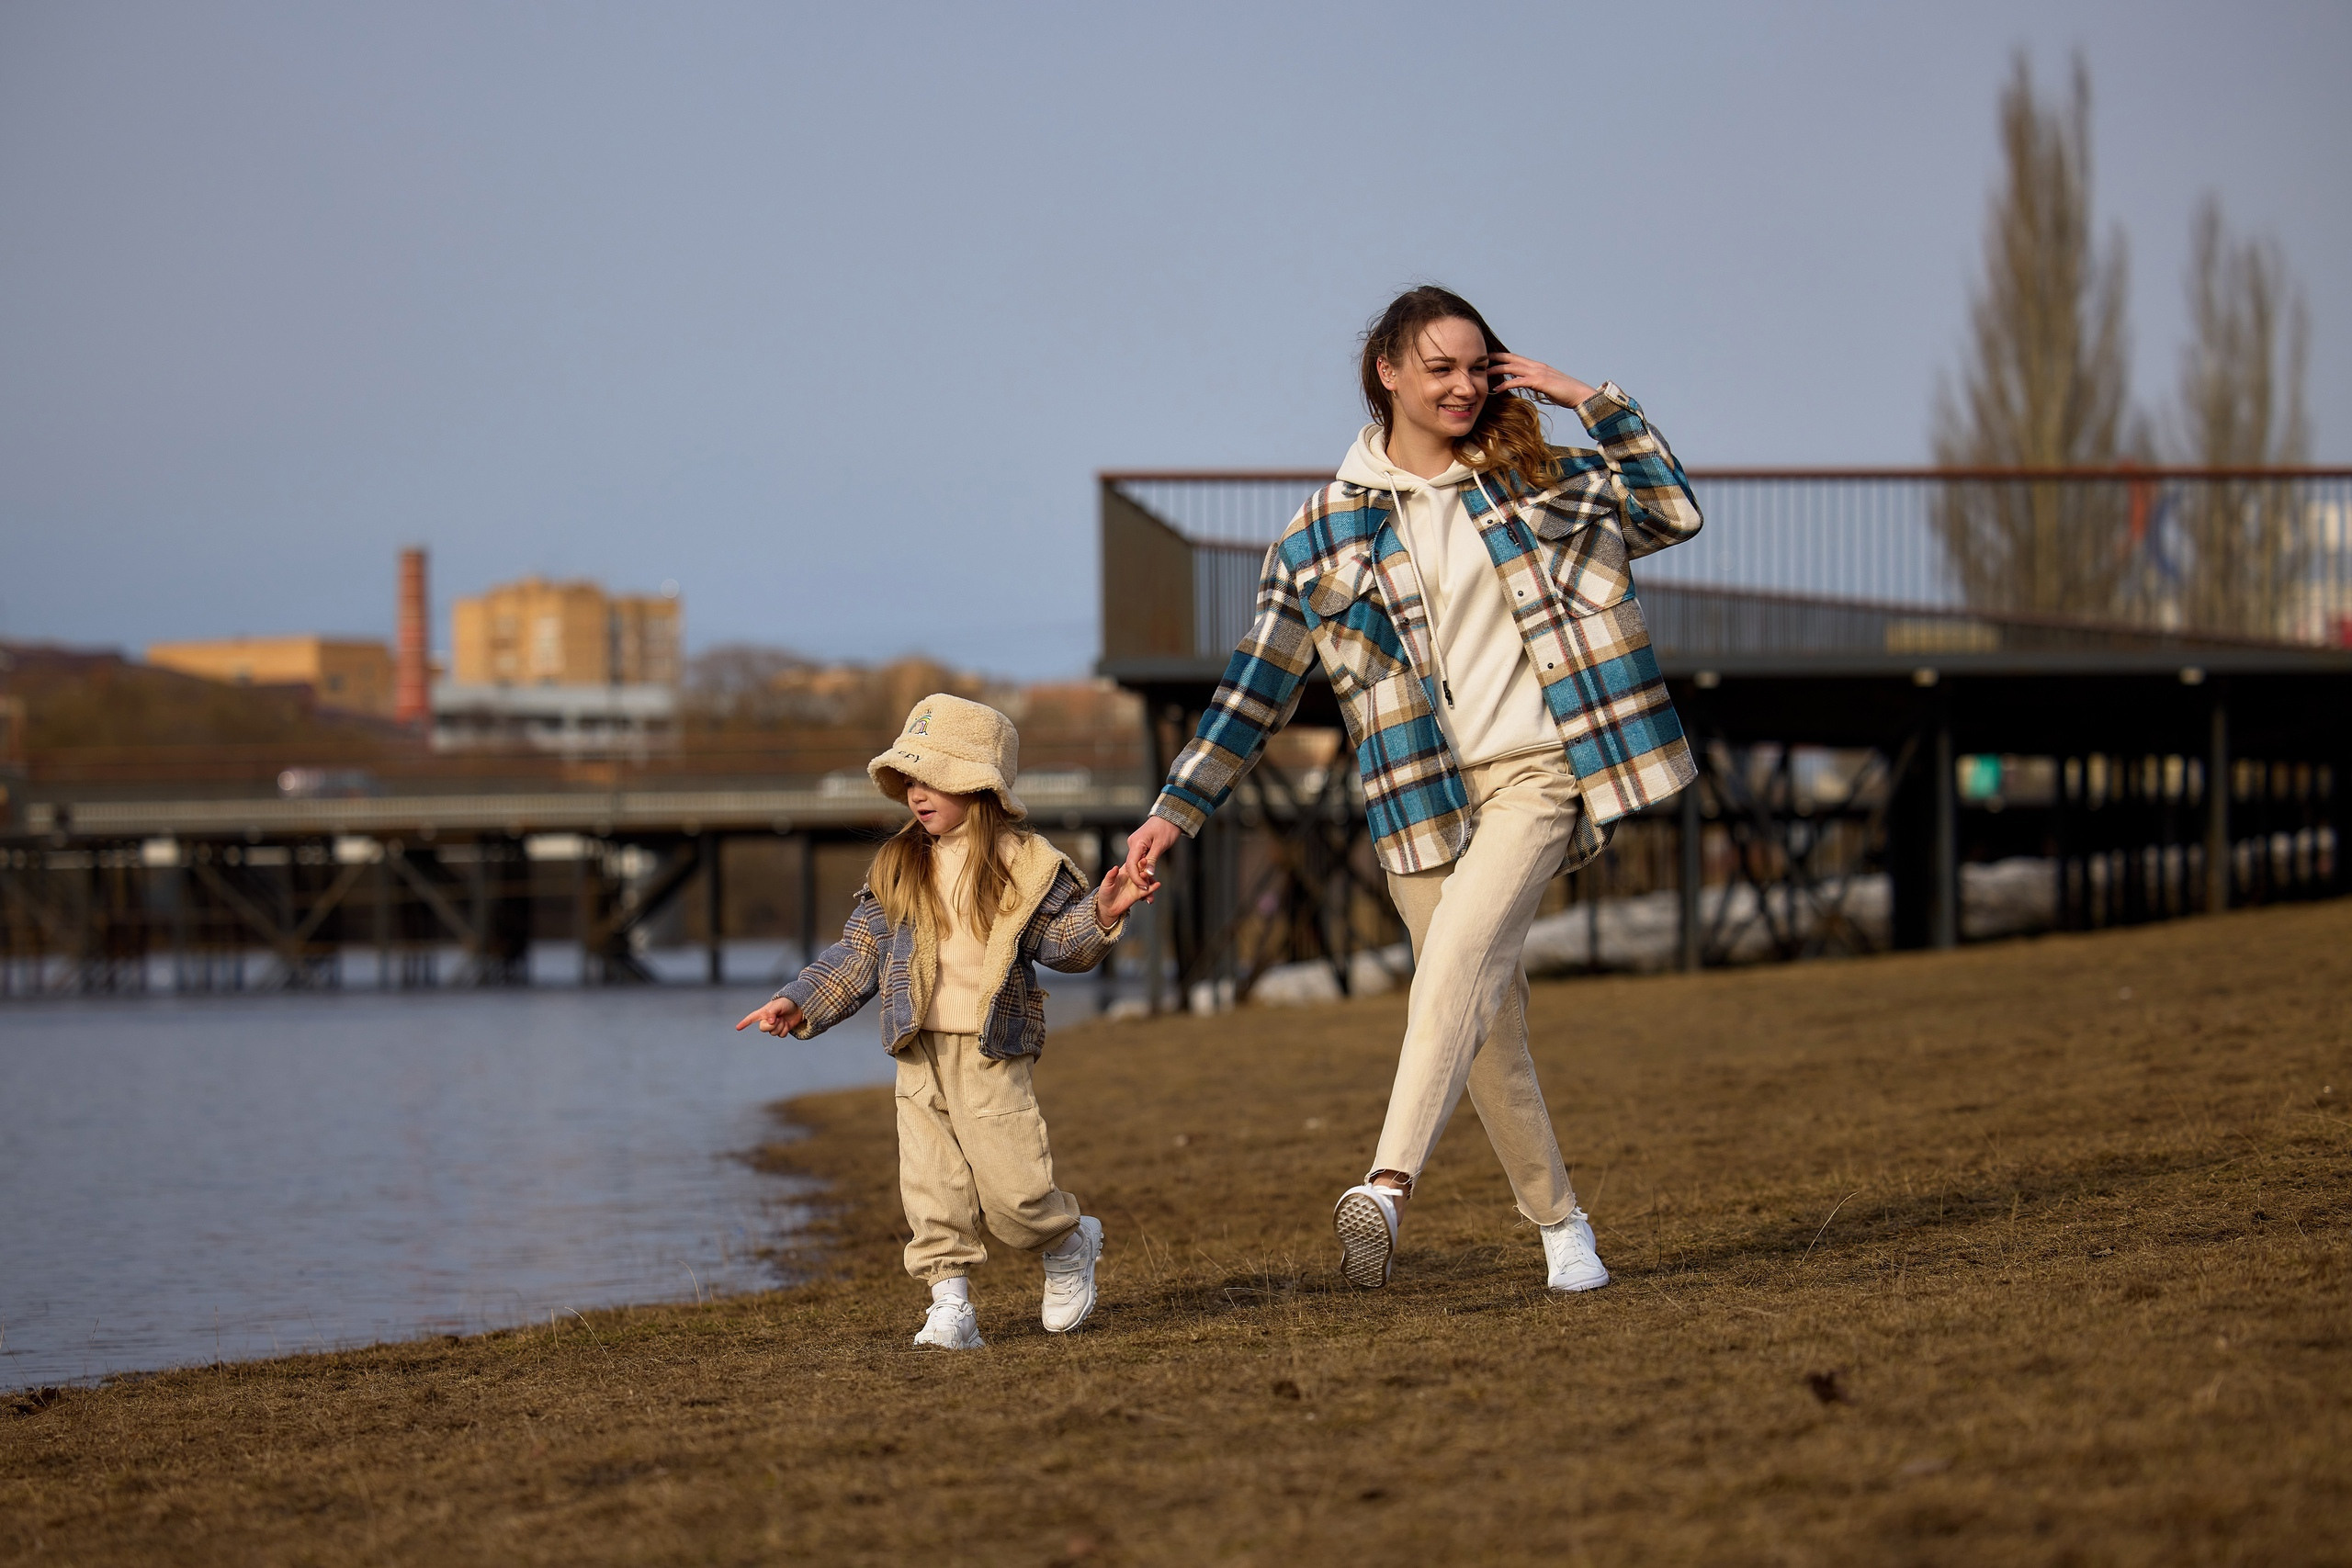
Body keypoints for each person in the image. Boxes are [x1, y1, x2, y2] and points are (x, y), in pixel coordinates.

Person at [1122, 285, 1703, 1293]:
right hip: (1419, 796)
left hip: (1539, 769)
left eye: (1480, 367)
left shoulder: (1535, 479)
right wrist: (1175, 812)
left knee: (1453, 969)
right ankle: (1564, 1229)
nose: (1465, 387)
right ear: (1386, 372)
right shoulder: (1319, 533)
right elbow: (1253, 691)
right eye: (1440, 369)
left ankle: (1386, 1185)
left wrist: (1584, 399)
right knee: (1486, 1030)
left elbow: (1669, 508)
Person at [740, 694, 1148, 1349]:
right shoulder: (900, 864)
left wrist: (1103, 909)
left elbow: (1062, 944)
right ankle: (950, 1302)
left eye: (932, 778)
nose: (916, 793)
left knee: (1015, 1196)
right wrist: (802, 1000)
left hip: (991, 1050)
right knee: (931, 1189)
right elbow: (861, 952)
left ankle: (1069, 1239)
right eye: (909, 779)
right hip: (916, 1050)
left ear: (979, 783)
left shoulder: (1026, 864)